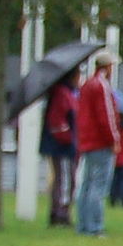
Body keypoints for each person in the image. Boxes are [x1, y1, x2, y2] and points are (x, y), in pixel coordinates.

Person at [74, 51, 120, 238]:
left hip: (87, 141)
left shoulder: (86, 85)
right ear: (108, 67)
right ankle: (95, 226)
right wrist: (114, 140)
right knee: (98, 186)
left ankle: (83, 224)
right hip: (100, 142)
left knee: (86, 184)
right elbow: (107, 116)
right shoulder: (102, 86)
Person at [40, 70, 78, 227]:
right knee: (65, 181)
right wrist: (70, 140)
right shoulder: (62, 94)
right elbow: (58, 123)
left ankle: (59, 212)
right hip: (62, 147)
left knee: (63, 180)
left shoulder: (65, 93)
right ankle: (61, 214)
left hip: (63, 146)